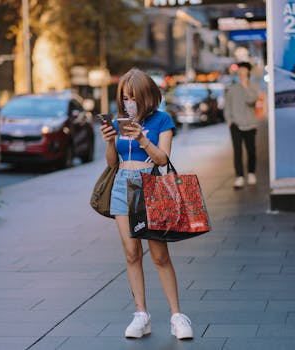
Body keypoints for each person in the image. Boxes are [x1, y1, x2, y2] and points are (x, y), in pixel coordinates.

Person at [100, 68, 193, 340]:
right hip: (121, 186)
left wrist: (142, 138)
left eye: (134, 97)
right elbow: (111, 163)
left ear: (147, 96)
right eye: (125, 97)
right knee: (131, 254)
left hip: (149, 185)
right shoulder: (119, 123)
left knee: (159, 255)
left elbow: (163, 159)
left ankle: (177, 315)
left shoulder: (162, 120)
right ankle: (141, 315)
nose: (129, 102)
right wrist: (109, 141)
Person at [224, 61, 259, 189]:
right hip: (235, 125)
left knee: (251, 151)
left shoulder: (254, 87)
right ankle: (239, 176)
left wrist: (245, 86)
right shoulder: (232, 88)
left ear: (248, 72)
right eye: (240, 70)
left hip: (250, 124)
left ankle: (251, 173)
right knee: (237, 152)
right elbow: (227, 106)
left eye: (243, 69)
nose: (241, 72)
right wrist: (229, 120)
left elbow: (251, 100)